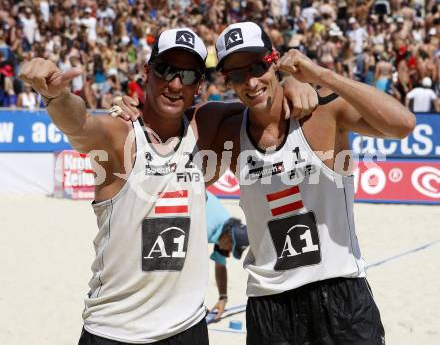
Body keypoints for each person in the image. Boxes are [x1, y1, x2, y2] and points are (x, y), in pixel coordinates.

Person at [19, 26, 318, 344]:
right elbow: (80, 124)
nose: (176, 84)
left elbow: (260, 100)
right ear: (147, 72)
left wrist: (291, 83)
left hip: (187, 329)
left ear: (199, 85)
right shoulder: (120, 135)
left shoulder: (205, 125)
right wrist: (57, 96)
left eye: (188, 76)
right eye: (166, 70)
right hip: (115, 330)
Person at [211, 22, 416, 345]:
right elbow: (180, 121)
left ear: (274, 60)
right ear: (227, 81)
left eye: (257, 66)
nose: (250, 81)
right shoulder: (228, 132)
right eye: (237, 75)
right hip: (270, 301)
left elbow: (402, 124)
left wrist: (319, 75)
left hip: (338, 290)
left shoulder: (323, 111)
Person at [205, 191, 249, 320]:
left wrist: (223, 297)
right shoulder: (207, 227)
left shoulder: (226, 228)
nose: (229, 252)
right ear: (229, 238)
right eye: (231, 248)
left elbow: (220, 265)